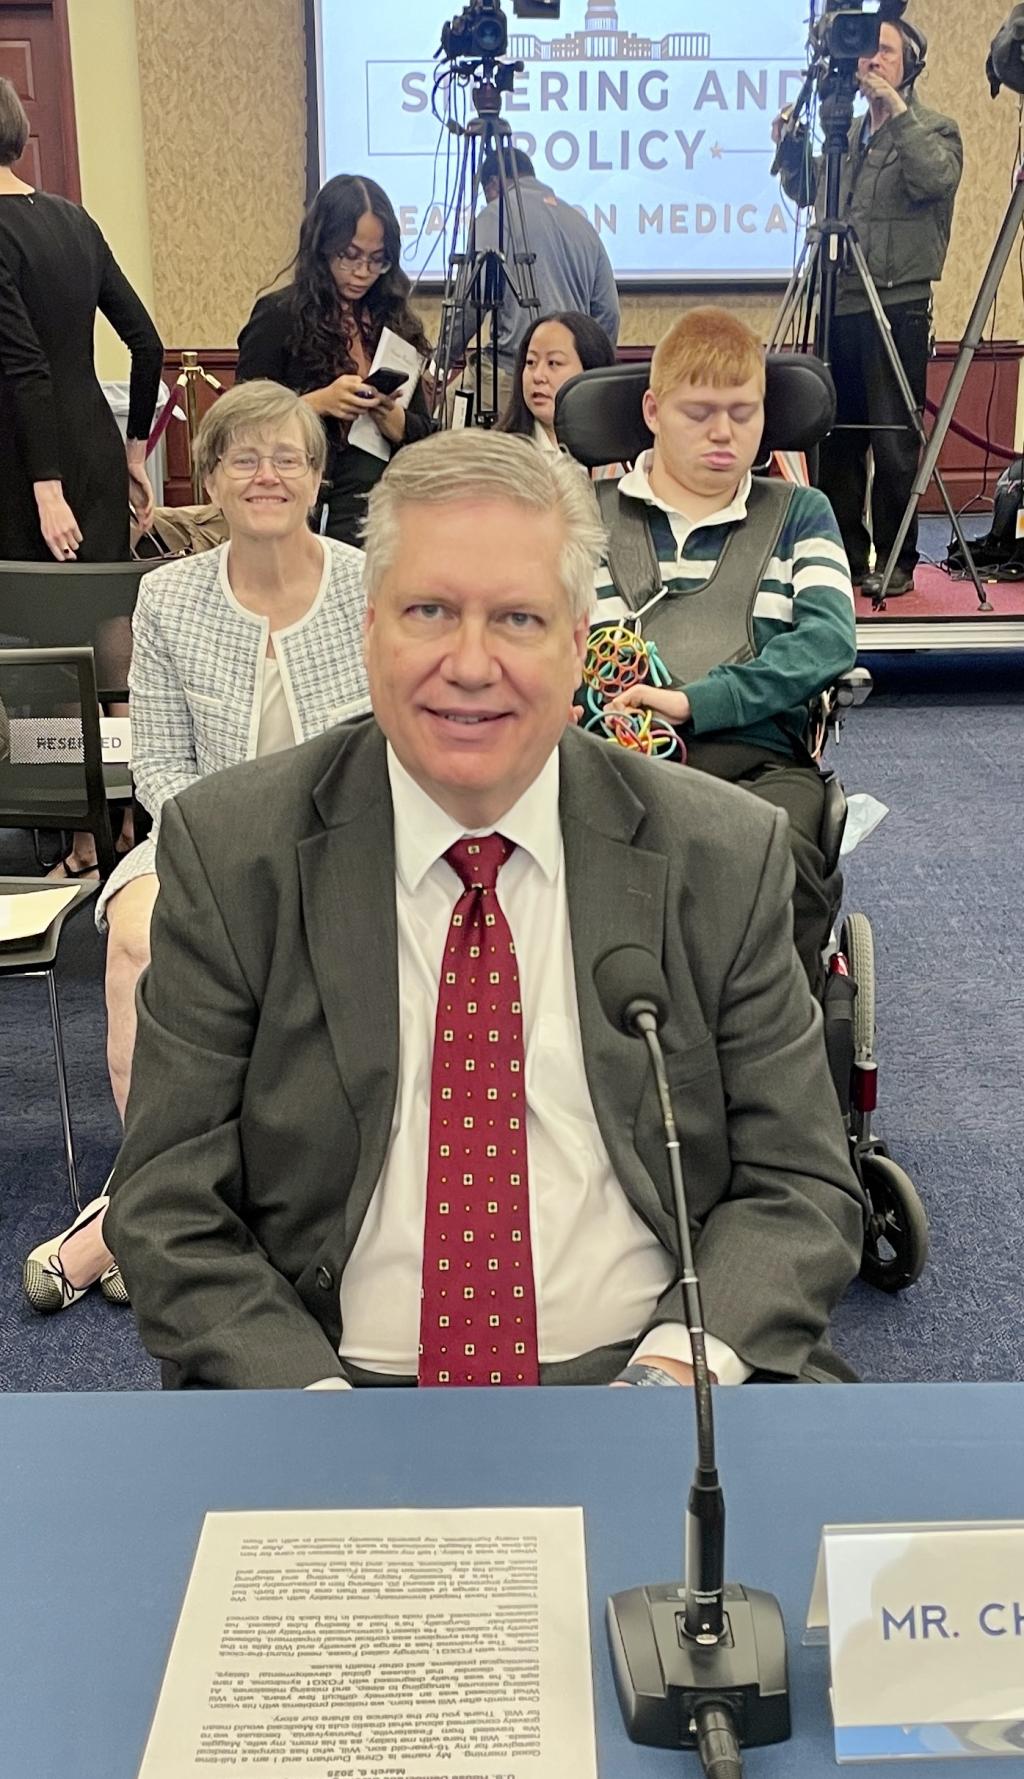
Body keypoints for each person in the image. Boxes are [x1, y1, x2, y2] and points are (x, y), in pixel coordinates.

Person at [103, 428, 864, 1392]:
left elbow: (800, 1185)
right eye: (429, 610)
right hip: (330, 1384)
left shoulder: (721, 853)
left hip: (657, 1377)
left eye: (517, 619)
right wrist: (313, 1416)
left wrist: (675, 1373)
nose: (471, 663)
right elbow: (167, 1203)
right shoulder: (232, 850)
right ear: (369, 626)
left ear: (578, 645)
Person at [22, 381, 371, 1315]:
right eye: (242, 458)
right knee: (135, 932)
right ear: (208, 478)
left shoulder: (367, 585)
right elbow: (160, 771)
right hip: (200, 837)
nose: (266, 476)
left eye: (286, 457)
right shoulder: (167, 597)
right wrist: (229, 862)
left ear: (316, 474)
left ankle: (132, 1218)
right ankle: (157, 1183)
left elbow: (387, 753)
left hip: (348, 848)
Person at [590, 307, 857, 995]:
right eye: (700, 411)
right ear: (652, 409)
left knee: (782, 859)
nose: (723, 432)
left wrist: (693, 700)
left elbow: (828, 641)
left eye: (744, 412)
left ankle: (771, 1055)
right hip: (612, 757)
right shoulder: (582, 515)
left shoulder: (803, 514)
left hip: (760, 761)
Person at [772, 15, 963, 597]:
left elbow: (935, 180)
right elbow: (810, 193)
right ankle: (846, 558)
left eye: (885, 52)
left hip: (896, 304)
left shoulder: (936, 129)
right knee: (837, 439)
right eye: (867, 53)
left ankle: (899, 559)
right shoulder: (846, 136)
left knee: (894, 441)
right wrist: (792, 147)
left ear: (911, 65)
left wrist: (896, 113)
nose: (871, 62)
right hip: (839, 298)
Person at [0, 77, 162, 563]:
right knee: (100, 621)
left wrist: (47, 489)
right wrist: (135, 455)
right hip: (97, 451)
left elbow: (27, 368)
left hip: (23, 466)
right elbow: (148, 345)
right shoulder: (75, 219)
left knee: (30, 632)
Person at [236, 174, 433, 547]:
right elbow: (240, 423)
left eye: (378, 261)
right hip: (310, 508)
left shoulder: (396, 320)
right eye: (350, 256)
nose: (362, 272)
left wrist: (398, 422)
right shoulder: (281, 315)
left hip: (386, 505)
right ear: (322, 247)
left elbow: (424, 431)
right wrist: (317, 404)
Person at [444, 149, 620, 416]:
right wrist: (588, 376)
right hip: (572, 383)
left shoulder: (495, 215)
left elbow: (470, 302)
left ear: (493, 184)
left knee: (443, 418)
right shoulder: (581, 223)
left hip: (510, 375)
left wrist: (440, 362)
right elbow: (608, 312)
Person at [498, 310, 615, 454]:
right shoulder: (501, 454)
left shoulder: (622, 452)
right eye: (530, 362)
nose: (538, 376)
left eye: (553, 362)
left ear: (591, 371)